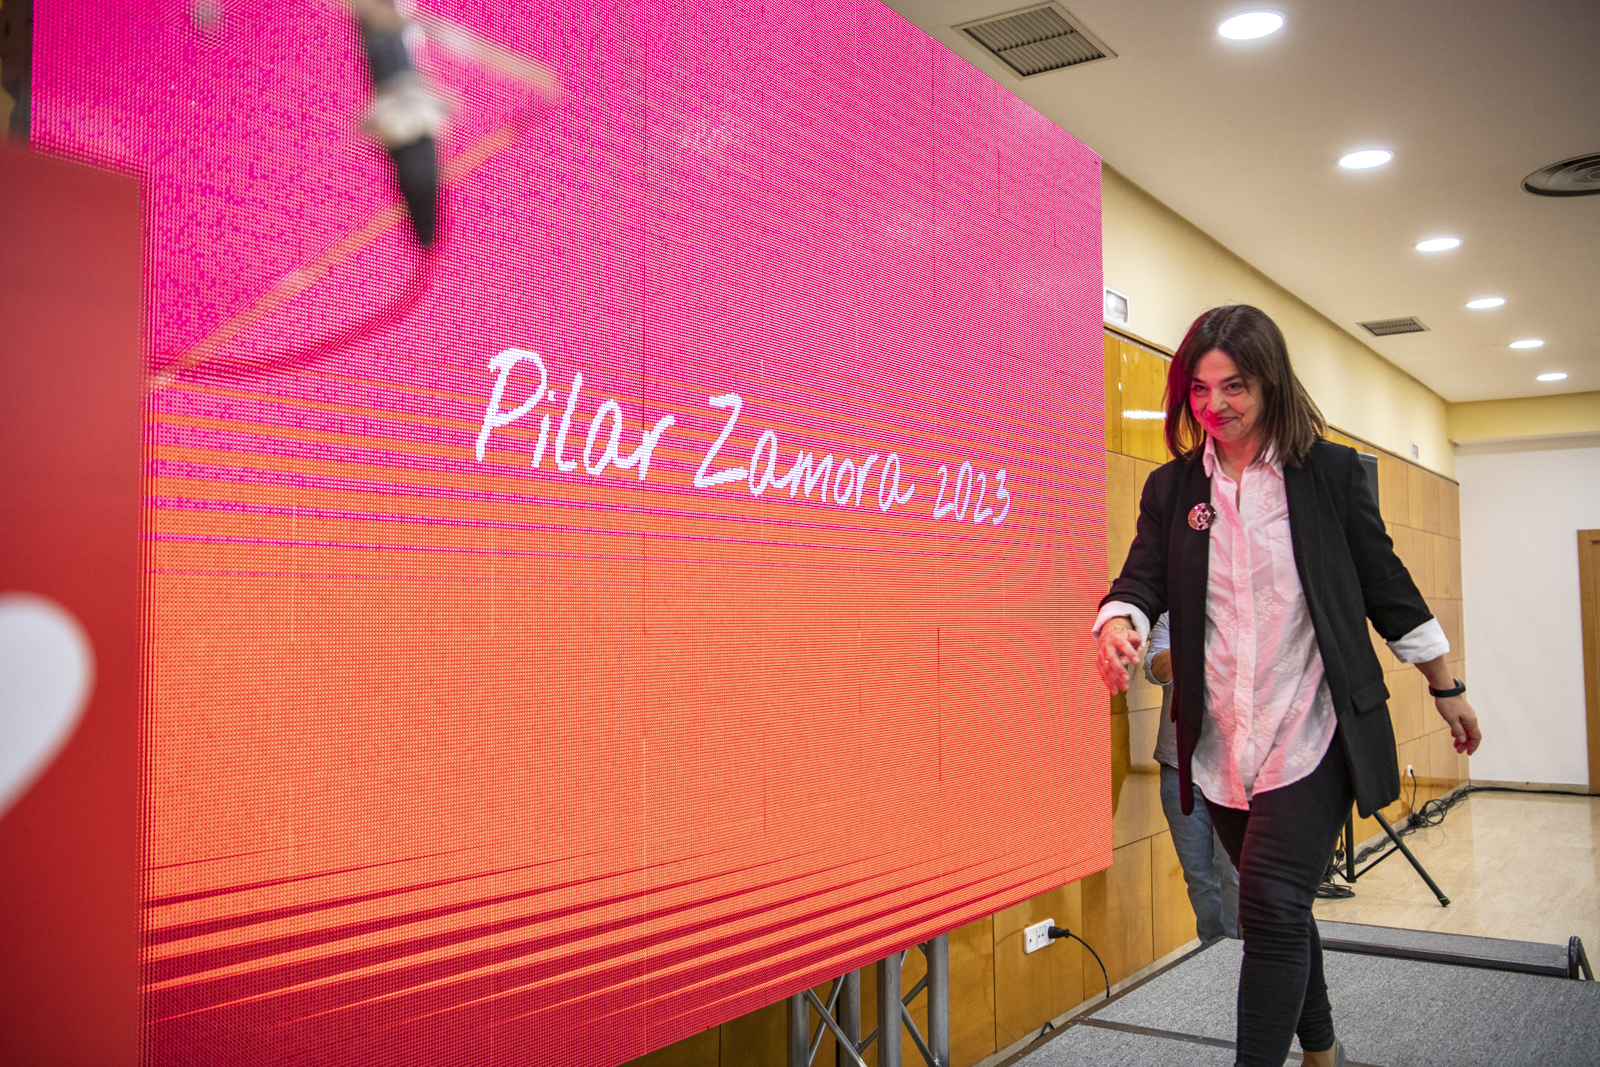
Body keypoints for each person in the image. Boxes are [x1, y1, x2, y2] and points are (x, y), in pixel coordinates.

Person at [1091, 305, 1481, 1067]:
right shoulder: (1174, 489)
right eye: (1199, 389)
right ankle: (1323, 1049)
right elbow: (1140, 579)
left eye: (1234, 385)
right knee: (1281, 906)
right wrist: (1118, 623)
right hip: (1221, 742)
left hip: (1314, 728)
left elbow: (1386, 584)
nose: (1215, 404)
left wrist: (1446, 685)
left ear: (1271, 381)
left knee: (1266, 902)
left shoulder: (1327, 474)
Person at [1145, 611, 1239, 943]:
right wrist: (1195, 642)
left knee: (1234, 873)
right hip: (1180, 769)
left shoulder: (1247, 613)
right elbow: (1155, 670)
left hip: (1236, 773)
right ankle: (1212, 954)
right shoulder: (1174, 615)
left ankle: (1241, 958)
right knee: (1199, 878)